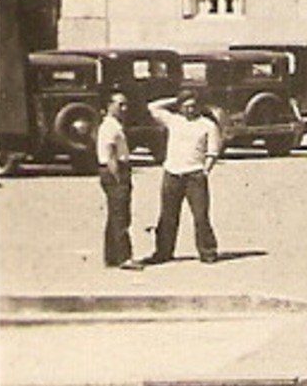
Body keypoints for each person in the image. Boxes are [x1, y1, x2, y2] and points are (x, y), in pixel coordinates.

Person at [145, 90, 223, 265]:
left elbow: (213, 151)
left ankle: (208, 251)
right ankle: (163, 252)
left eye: (193, 106)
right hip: (172, 173)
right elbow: (152, 107)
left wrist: (205, 170)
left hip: (195, 175)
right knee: (167, 215)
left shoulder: (208, 125)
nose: (190, 110)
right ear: (180, 107)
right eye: (186, 106)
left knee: (200, 215)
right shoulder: (173, 120)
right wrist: (176, 98)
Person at [95, 91, 143, 270]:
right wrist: (119, 179)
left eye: (125, 104)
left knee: (114, 215)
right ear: (109, 105)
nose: (124, 108)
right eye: (120, 104)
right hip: (115, 171)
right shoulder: (110, 127)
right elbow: (110, 155)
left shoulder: (113, 125)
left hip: (114, 170)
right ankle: (124, 257)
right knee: (121, 215)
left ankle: (112, 256)